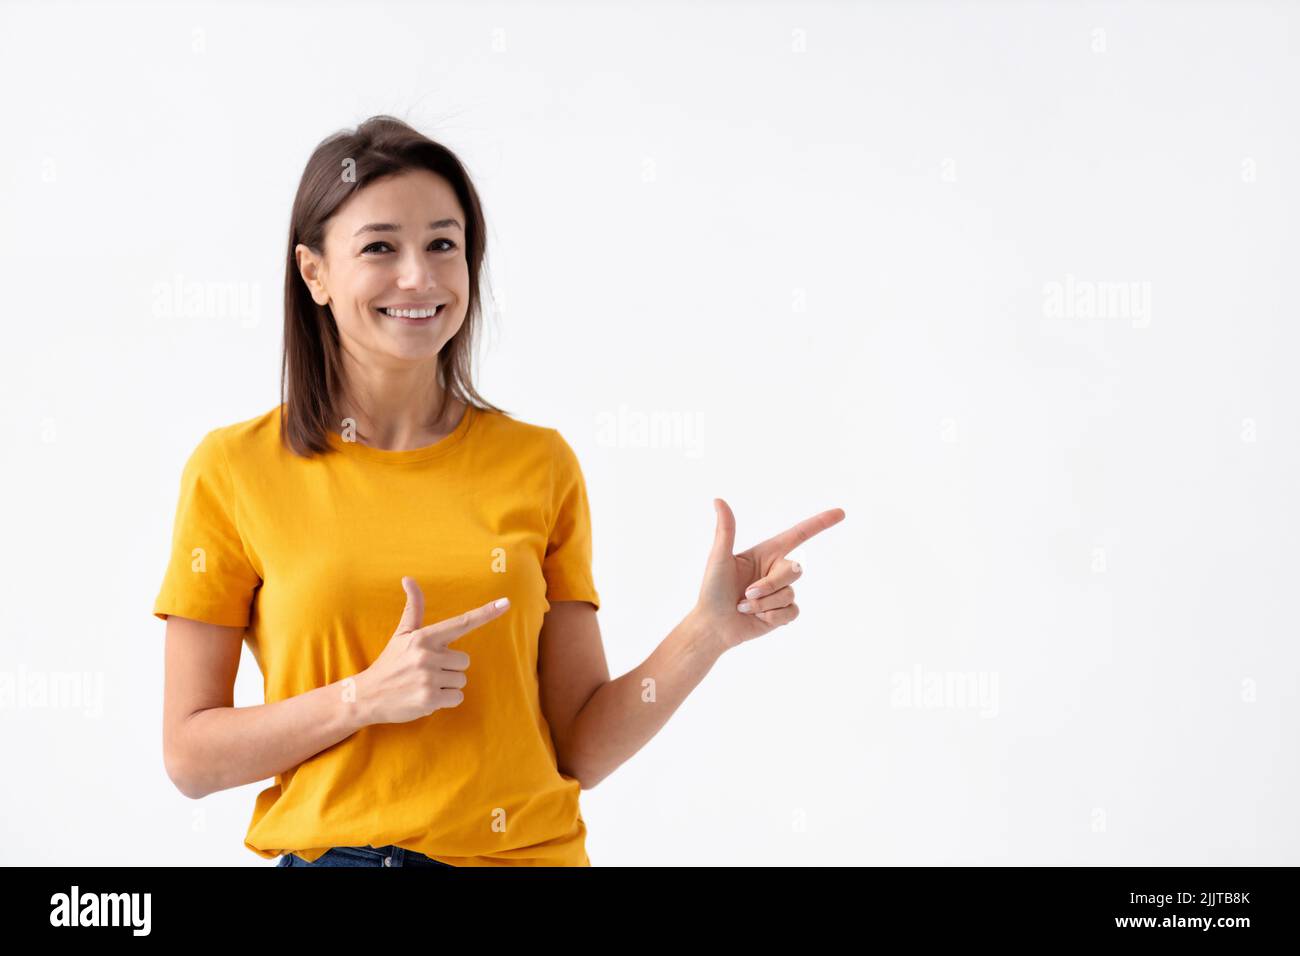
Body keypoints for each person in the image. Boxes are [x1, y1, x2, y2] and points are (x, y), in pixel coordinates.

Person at [153, 115, 846, 867]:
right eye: (380, 246)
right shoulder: (235, 470)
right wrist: (363, 698)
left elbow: (579, 746)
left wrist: (706, 633)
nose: (418, 276)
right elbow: (191, 757)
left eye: (443, 245)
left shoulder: (538, 465)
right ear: (314, 273)